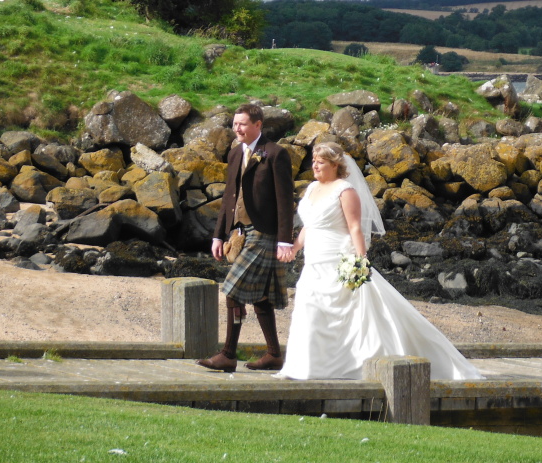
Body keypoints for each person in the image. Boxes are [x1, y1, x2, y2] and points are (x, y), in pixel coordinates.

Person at [278, 142, 483, 380]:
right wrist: (294, 248)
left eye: (320, 161)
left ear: (335, 165)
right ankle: (307, 367)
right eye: (313, 160)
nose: (314, 165)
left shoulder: (345, 191)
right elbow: (309, 225)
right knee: (309, 310)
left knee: (347, 313)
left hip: (337, 258)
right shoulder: (312, 188)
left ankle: (357, 363)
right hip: (313, 261)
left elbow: (355, 227)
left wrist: (360, 259)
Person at [197, 103, 295, 373]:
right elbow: (229, 197)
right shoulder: (234, 154)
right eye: (234, 124)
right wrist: (219, 235)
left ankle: (228, 354)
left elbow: (285, 200)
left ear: (258, 125)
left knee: (232, 288)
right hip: (240, 232)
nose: (236, 128)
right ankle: (274, 354)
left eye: (242, 124)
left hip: (266, 233)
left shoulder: (275, 154)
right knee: (261, 296)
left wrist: (285, 239)